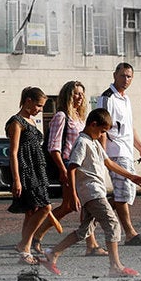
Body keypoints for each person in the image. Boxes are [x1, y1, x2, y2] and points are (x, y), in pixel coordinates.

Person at [40, 108, 141, 278]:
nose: (102, 135)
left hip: (96, 192)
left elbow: (109, 163)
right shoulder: (82, 142)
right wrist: (74, 194)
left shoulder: (94, 142)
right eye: (102, 131)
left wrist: (131, 176)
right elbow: (72, 168)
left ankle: (53, 253)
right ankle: (115, 266)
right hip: (91, 192)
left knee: (85, 230)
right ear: (93, 124)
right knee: (112, 223)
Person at [32, 81, 105, 257]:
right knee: (68, 206)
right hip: (67, 164)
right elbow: (53, 147)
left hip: (82, 168)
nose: (79, 97)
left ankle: (91, 245)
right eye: (75, 93)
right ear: (67, 95)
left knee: (85, 204)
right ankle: (36, 236)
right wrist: (63, 171)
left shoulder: (80, 119)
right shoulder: (61, 116)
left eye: (81, 93)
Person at [97, 62, 141, 246]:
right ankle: (130, 234)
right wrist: (103, 155)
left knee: (127, 193)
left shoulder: (126, 99)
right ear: (115, 75)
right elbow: (101, 127)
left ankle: (94, 212)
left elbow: (130, 127)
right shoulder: (107, 98)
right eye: (123, 75)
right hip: (115, 152)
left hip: (127, 152)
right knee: (123, 193)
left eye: (129, 76)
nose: (126, 79)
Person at [5, 86, 54, 265]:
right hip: (26, 171)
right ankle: (24, 245)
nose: (40, 110)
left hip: (37, 170)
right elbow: (13, 152)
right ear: (28, 101)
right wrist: (17, 179)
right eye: (39, 105)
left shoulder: (32, 121)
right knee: (45, 207)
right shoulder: (16, 122)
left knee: (32, 211)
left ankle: (24, 250)